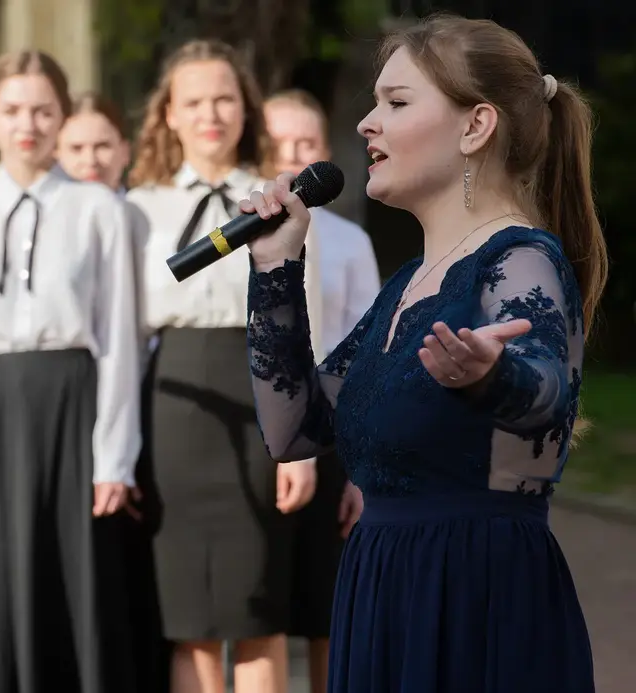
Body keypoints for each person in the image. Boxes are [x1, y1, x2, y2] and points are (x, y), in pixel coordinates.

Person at [241, 14, 606, 693]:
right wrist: (275, 268)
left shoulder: (521, 258)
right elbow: (293, 428)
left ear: (476, 126)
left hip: (476, 601)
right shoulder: (406, 284)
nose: (365, 123)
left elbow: (549, 393)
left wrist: (492, 377)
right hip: (381, 595)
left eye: (397, 102)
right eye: (375, 100)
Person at [0, 50, 140, 693]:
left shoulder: (98, 211)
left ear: (61, 116)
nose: (28, 124)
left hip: (72, 402)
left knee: (72, 577)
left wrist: (115, 457)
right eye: (14, 109)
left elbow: (118, 339)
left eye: (43, 109)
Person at [125, 39, 322, 693]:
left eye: (224, 98)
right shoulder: (134, 208)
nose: (211, 113)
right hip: (176, 405)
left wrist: (300, 443)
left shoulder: (279, 199)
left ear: (247, 108)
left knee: (257, 611)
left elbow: (302, 319)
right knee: (193, 619)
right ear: (169, 115)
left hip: (261, 390)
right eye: (194, 101)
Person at [263, 89, 376, 692]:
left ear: (323, 154)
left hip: (331, 433)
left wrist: (358, 469)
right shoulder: (242, 234)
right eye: (278, 142)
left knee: (329, 606)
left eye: (304, 143)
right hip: (257, 432)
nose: (291, 155)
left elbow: (368, 358)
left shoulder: (351, 242)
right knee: (259, 608)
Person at [57, 90, 167, 693]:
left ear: (125, 150)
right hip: (82, 412)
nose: (91, 158)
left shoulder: (144, 218)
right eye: (75, 147)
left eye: (103, 145)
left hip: (155, 398)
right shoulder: (59, 226)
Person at [56, 91, 131, 194]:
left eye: (102, 146)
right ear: (56, 154)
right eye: (77, 148)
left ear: (125, 152)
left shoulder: (146, 209)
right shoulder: (33, 208)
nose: (90, 161)